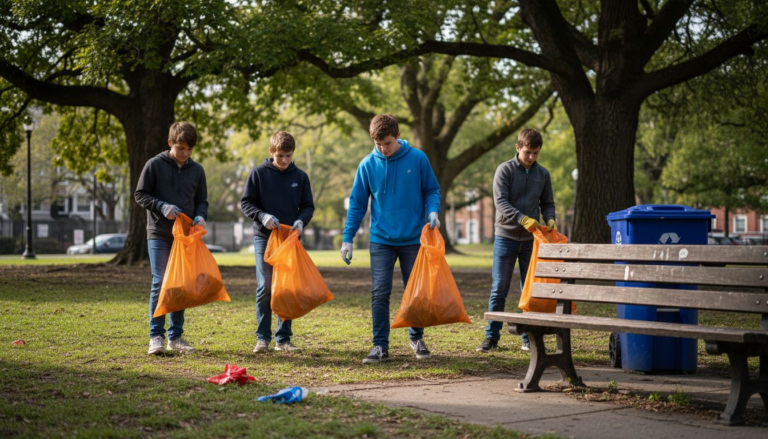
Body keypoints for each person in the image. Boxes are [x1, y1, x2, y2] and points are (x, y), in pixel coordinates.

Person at [341, 114, 441, 364]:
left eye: (387, 142)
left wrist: (433, 210)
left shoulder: (418, 158)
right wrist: (348, 238)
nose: (383, 149)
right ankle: (380, 346)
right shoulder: (367, 164)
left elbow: (432, 189)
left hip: (412, 238)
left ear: (397, 136)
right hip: (381, 239)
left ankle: (416, 337)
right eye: (378, 144)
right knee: (380, 292)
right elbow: (357, 204)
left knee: (414, 292)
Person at [477, 128, 556, 353]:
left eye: (536, 153)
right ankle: (491, 337)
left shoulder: (543, 174)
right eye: (528, 152)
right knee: (499, 288)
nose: (531, 157)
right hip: (506, 237)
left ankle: (527, 336)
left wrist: (550, 219)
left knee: (529, 289)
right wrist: (523, 219)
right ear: (518, 147)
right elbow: (501, 202)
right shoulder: (505, 170)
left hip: (531, 240)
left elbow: (547, 203)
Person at [135, 122, 208, 355]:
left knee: (181, 283)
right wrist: (161, 205)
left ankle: (176, 337)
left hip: (185, 235)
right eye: (180, 149)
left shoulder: (197, 170)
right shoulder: (154, 165)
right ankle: (155, 337)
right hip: (158, 232)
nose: (185, 154)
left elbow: (202, 200)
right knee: (160, 281)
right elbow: (140, 194)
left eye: (189, 149)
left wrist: (201, 216)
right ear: (170, 144)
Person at [240, 131, 314, 354]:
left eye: (288, 156)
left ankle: (283, 339)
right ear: (271, 152)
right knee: (266, 286)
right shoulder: (258, 174)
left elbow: (308, 206)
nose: (284, 160)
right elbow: (246, 203)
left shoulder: (300, 177)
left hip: (289, 240)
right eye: (280, 155)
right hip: (264, 237)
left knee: (286, 288)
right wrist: (262, 216)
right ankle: (263, 338)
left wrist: (301, 221)